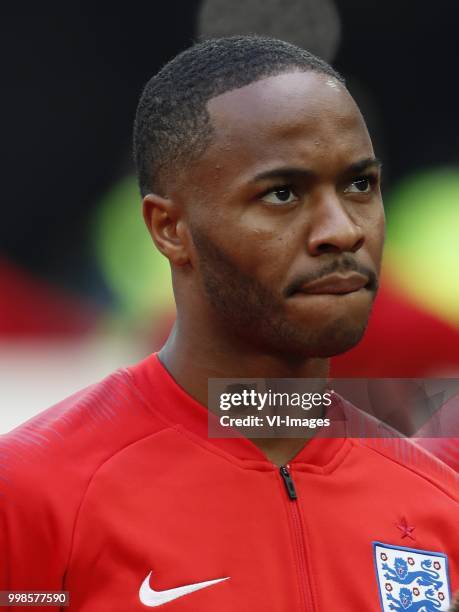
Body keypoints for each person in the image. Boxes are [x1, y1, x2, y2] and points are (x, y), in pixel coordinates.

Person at [1, 36, 458, 611]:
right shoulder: (33, 494)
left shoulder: (439, 503)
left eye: (359, 185)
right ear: (169, 228)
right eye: (283, 194)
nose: (342, 230)